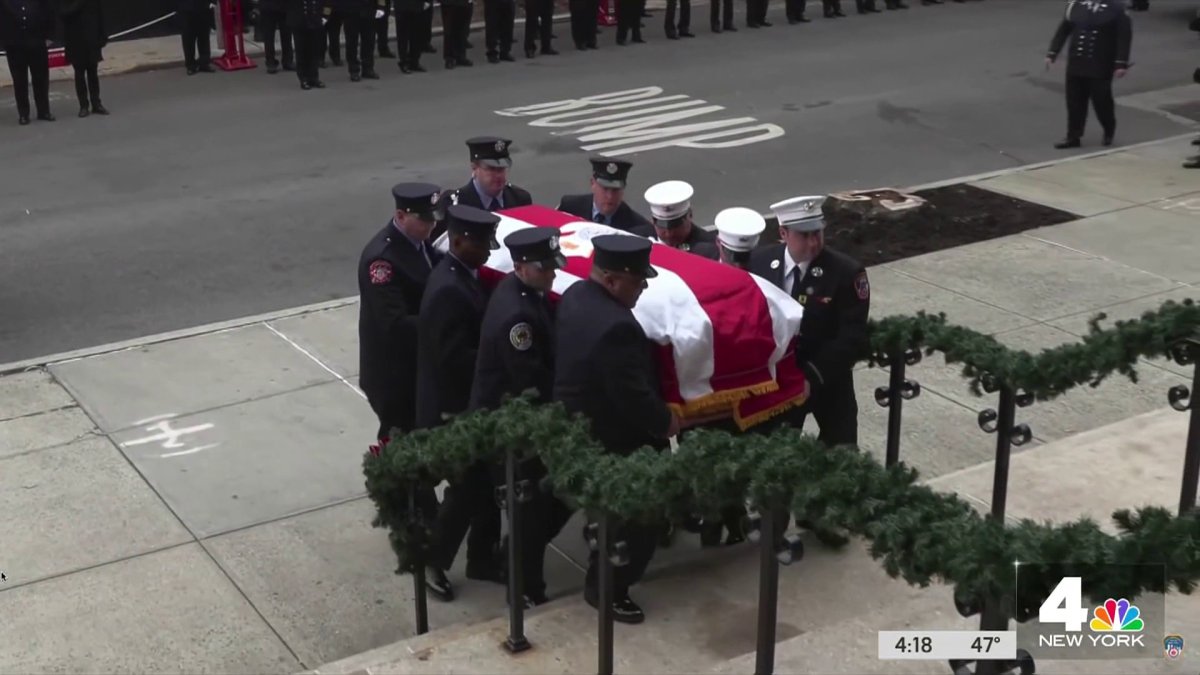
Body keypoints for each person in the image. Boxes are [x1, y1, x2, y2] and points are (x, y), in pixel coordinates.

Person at [554, 234, 681, 624]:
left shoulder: (577, 295)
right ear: (611, 280)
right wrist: (666, 423)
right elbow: (632, 395)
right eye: (638, 281)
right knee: (643, 514)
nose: (643, 288)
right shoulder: (617, 327)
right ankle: (608, 589)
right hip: (614, 439)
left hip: (576, 423)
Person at [471, 227, 574, 607]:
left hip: (517, 420)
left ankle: (516, 565)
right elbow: (530, 381)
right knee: (532, 511)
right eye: (544, 267)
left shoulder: (524, 294)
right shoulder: (518, 317)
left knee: (541, 507)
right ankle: (525, 587)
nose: (552, 273)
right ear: (519, 266)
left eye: (552, 265)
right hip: (512, 428)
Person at [418, 204, 506, 601]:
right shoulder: (449, 288)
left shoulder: (462, 276)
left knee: (485, 485)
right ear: (457, 241)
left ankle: (482, 559)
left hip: (471, 406)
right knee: (468, 489)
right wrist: (495, 358)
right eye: (482, 242)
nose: (488, 249)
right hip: (454, 410)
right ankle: (432, 560)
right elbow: (451, 359)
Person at [748, 196, 869, 449]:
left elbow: (851, 335)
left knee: (841, 453)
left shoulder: (846, 272)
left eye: (817, 233)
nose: (814, 242)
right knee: (778, 455)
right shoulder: (760, 263)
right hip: (780, 383)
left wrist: (811, 376)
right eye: (804, 235)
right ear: (784, 233)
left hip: (829, 381)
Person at [358, 182, 444, 440]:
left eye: (433, 219)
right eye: (423, 219)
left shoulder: (419, 243)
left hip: (415, 365)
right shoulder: (383, 261)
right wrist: (442, 324)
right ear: (400, 216)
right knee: (399, 439)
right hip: (394, 375)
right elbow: (395, 324)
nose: (431, 226)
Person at [1045, 0, 1132, 149]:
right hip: (1077, 62)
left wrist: (1121, 63)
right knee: (1074, 102)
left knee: (1101, 101)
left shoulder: (1117, 8)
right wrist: (1052, 53)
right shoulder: (1075, 5)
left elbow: (1124, 37)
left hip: (1100, 63)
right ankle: (1073, 136)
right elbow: (1064, 30)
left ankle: (1108, 129)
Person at [433, 136, 534, 241]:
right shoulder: (455, 204)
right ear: (474, 168)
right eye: (491, 169)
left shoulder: (520, 199)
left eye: (501, 169)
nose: (498, 175)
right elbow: (438, 245)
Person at [556, 157, 652, 232]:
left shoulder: (636, 226)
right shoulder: (569, 208)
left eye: (615, 190)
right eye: (605, 189)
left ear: (623, 189)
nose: (609, 196)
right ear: (592, 184)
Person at [2, 0, 56, 125]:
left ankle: (43, 111)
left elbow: (50, 12)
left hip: (37, 42)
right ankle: (23, 114)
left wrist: (50, 36)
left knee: (41, 78)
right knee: (20, 80)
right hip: (15, 44)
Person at [633, 180, 717, 253]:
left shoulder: (710, 248)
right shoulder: (639, 238)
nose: (669, 233)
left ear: (690, 215)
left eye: (676, 224)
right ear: (653, 220)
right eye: (661, 224)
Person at [59, 0, 109, 117]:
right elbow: (63, 13)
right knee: (79, 73)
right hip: (75, 40)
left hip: (92, 38)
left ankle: (96, 103)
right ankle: (83, 106)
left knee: (93, 72)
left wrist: (102, 35)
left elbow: (99, 14)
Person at [692, 206, 765, 269]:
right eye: (730, 254)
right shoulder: (699, 257)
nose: (738, 265)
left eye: (745, 257)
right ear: (718, 242)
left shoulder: (765, 268)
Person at [340, 0, 386, 80]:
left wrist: (381, 6)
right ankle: (354, 70)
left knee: (369, 40)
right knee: (352, 42)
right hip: (351, 11)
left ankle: (368, 68)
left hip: (369, 9)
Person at [287, 0, 326, 89]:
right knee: (301, 50)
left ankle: (314, 77)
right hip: (299, 21)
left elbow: (328, 3)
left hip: (315, 20)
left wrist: (325, 18)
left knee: (314, 51)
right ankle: (303, 78)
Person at [178, 0, 215, 75]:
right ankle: (190, 65)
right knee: (188, 39)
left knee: (204, 37)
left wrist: (212, 2)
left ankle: (204, 63)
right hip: (187, 10)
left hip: (204, 8)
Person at [258, 0, 295, 74]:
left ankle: (273, 62)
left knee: (283, 35)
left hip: (277, 7)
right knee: (274, 36)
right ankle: (283, 61)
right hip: (274, 7)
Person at [393, 0, 426, 72]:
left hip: (417, 5)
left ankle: (415, 61)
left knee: (416, 34)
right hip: (402, 6)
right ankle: (403, 61)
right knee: (403, 36)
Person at [440, 0, 472, 69]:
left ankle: (460, 56)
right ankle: (449, 58)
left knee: (462, 30)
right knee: (449, 30)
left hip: (464, 3)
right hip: (449, 3)